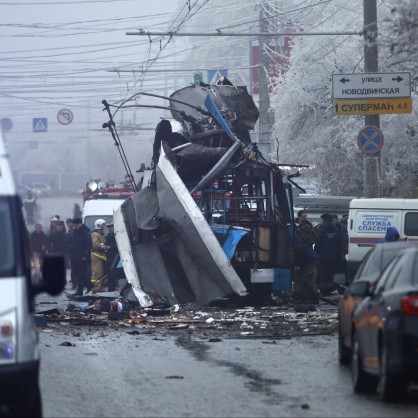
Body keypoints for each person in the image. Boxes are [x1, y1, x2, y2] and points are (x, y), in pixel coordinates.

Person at [315, 213, 343, 295]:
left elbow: (318, 242)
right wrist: (339, 255)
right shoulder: (336, 230)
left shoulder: (322, 229)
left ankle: (323, 290)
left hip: (322, 257)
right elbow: (340, 244)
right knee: (331, 275)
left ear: (324, 220)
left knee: (323, 274)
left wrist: (316, 252)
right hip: (333, 257)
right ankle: (329, 290)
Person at [293, 224, 320, 303]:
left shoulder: (298, 239)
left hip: (301, 262)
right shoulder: (307, 240)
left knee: (298, 281)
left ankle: (298, 298)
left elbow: (298, 251)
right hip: (309, 261)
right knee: (310, 280)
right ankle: (314, 297)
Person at [68, 218, 93, 296]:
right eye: (74, 224)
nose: (75, 225)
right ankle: (86, 287)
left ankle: (83, 289)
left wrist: (85, 255)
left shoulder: (85, 231)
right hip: (75, 256)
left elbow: (88, 244)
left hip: (82, 257)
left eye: (76, 224)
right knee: (76, 273)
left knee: (80, 274)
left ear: (80, 224)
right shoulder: (75, 231)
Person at [90, 219, 109, 293]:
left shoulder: (100, 234)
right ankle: (95, 289)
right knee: (96, 273)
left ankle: (99, 288)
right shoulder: (95, 234)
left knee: (101, 273)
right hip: (96, 257)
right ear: (98, 225)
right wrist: (104, 246)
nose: (104, 226)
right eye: (102, 225)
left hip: (100, 257)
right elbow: (95, 245)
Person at [104, 222, 119, 291]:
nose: (110, 228)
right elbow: (105, 244)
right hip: (109, 256)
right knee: (109, 272)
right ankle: (110, 287)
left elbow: (117, 245)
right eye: (108, 227)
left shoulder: (117, 235)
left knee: (113, 272)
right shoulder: (108, 235)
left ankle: (113, 287)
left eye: (111, 227)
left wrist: (110, 247)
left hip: (115, 256)